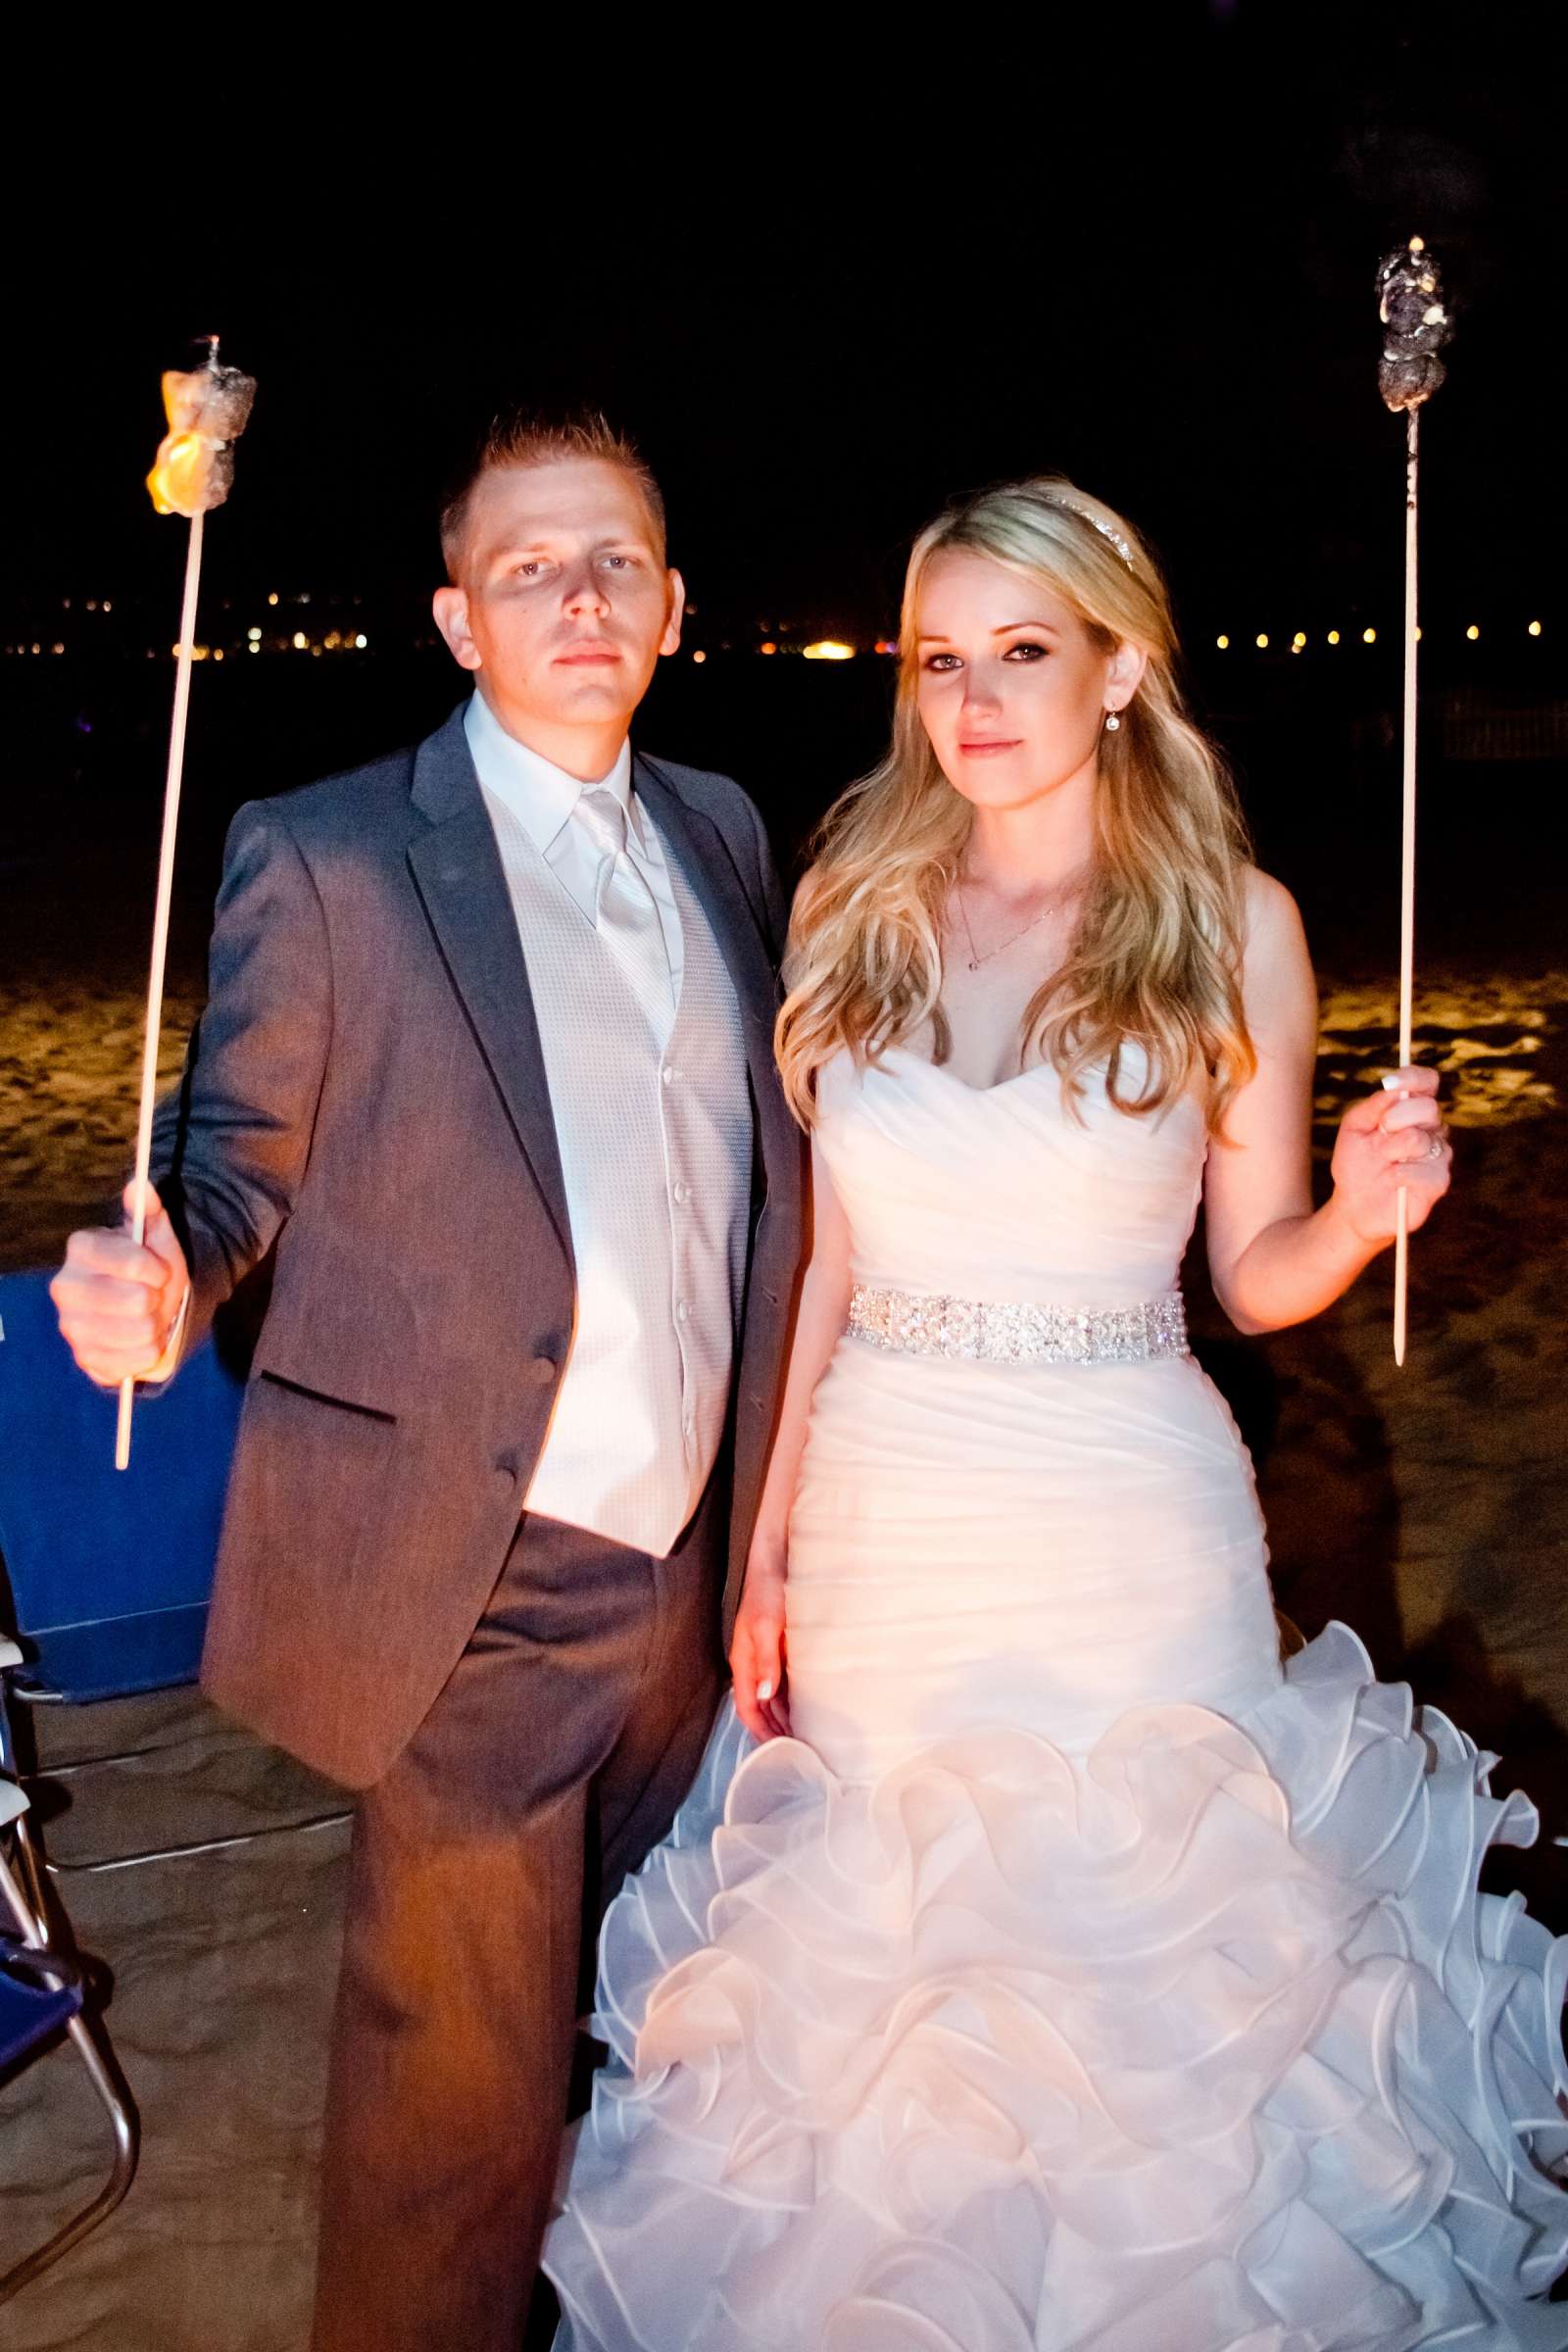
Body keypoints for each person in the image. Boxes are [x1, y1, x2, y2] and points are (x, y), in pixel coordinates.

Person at [542, 477, 1568, 2350]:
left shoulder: (1230, 921)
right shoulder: (860, 900)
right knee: (896, 2014)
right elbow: (826, 1268)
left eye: (1024, 651)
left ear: (1118, 669)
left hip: (1128, 1524)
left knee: (1155, 2015)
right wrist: (763, 1550)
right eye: (945, 659)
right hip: (886, 1526)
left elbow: (1254, 1272)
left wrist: (1357, 1206)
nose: (977, 699)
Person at [48, 414, 803, 2352]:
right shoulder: (328, 857)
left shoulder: (722, 831)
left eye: (615, 560)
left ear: (671, 608)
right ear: (459, 617)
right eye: (531, 566)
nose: (578, 594)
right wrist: (160, 1275)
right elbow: (229, 1162)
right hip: (472, 1570)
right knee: (445, 2122)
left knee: (637, 2026)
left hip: (688, 1581)